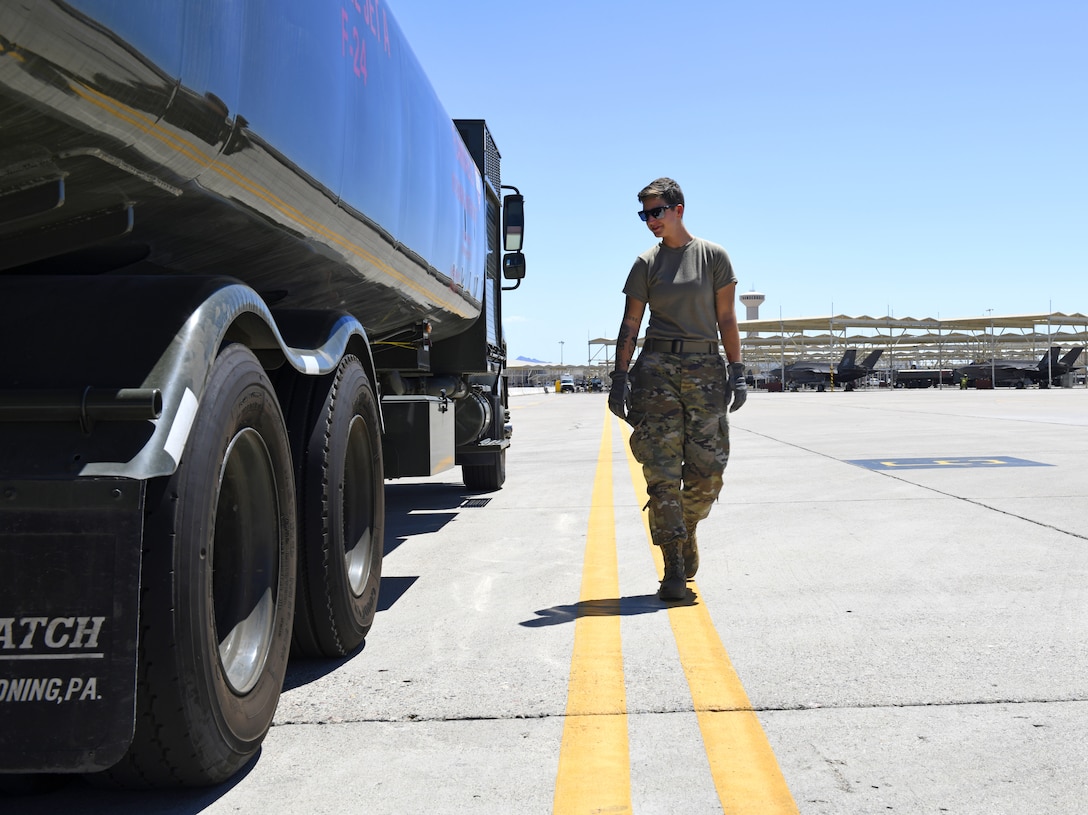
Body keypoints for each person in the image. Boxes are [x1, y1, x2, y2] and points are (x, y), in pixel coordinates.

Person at [607, 178, 746, 601]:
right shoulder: (645, 264)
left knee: (707, 473)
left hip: (706, 368)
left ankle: (686, 532)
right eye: (644, 214)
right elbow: (631, 323)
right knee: (661, 474)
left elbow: (727, 319)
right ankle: (672, 569)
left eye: (657, 212)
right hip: (657, 372)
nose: (650, 221)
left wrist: (737, 370)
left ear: (678, 209)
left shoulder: (713, 256)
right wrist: (619, 376)